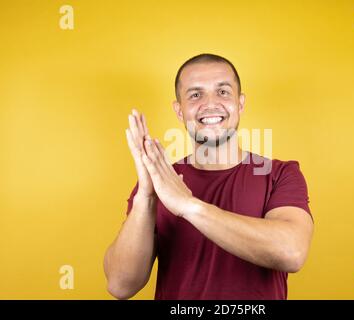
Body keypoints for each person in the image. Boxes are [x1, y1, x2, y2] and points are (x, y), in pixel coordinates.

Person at [103, 53, 314, 300]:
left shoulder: (280, 174)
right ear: (179, 111)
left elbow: (291, 252)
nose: (210, 103)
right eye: (195, 94)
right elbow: (121, 285)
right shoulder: (159, 182)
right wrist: (146, 198)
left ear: (241, 104)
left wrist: (190, 207)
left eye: (223, 92)